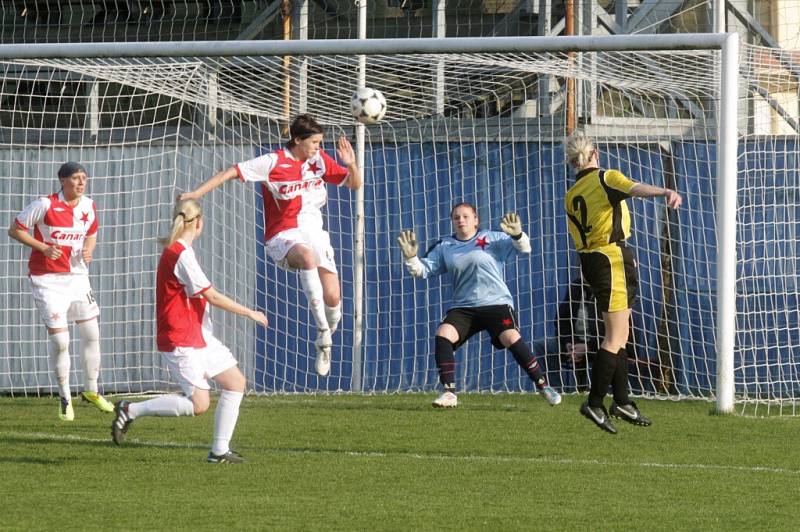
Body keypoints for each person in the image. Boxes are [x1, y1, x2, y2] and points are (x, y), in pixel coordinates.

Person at [179, 114, 361, 377]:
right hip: (283, 235)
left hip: (316, 234)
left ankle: (326, 338)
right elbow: (230, 171)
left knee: (333, 297)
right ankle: (322, 330)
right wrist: (196, 194)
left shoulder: (319, 160)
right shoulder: (273, 161)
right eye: (315, 143)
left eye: (321, 143)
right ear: (298, 140)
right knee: (307, 258)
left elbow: (355, 183)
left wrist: (351, 165)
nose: (318, 148)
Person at [111, 199, 268, 463]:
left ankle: (219, 451)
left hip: (198, 334)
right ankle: (130, 409)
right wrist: (250, 312)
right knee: (199, 405)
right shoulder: (180, 254)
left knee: (235, 383)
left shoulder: (181, 251)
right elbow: (213, 297)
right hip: (180, 336)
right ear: (199, 223)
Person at [564, 132, 682, 434]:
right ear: (595, 154)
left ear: (571, 160)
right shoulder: (605, 178)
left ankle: (623, 400)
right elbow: (634, 188)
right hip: (610, 258)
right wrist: (665, 191)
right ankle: (594, 401)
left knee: (621, 334)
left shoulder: (572, 193)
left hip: (593, 259)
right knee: (614, 337)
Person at [397, 203, 562, 408]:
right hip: (464, 307)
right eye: (456, 217)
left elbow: (524, 249)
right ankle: (449, 393)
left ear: (476, 220)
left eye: (466, 216)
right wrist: (411, 257)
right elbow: (422, 271)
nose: (461, 220)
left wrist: (518, 235)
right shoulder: (445, 246)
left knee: (511, 337)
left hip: (496, 303)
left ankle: (544, 385)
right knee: (443, 334)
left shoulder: (492, 238)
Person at [8, 162, 114, 421]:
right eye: (76, 178)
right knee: (61, 341)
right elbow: (15, 230)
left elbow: (92, 233)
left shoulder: (89, 205)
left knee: (92, 333)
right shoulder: (44, 205)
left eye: (84, 178)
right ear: (62, 180)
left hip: (78, 278)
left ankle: (91, 390)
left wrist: (90, 249)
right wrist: (43, 248)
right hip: (48, 280)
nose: (81, 182)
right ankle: (65, 396)